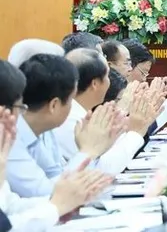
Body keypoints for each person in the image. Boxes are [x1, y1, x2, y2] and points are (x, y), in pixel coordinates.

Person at [0, 59, 112, 231]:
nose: (19, 116)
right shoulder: (12, 139)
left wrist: (61, 204)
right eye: (19, 108)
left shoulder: (41, 131)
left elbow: (10, 206)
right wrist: (88, 151)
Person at [6, 54, 120, 197]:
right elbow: (47, 193)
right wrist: (88, 151)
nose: (73, 107)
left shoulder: (43, 131)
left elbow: (57, 174)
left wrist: (91, 150)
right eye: (71, 100)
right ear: (54, 105)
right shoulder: (9, 135)